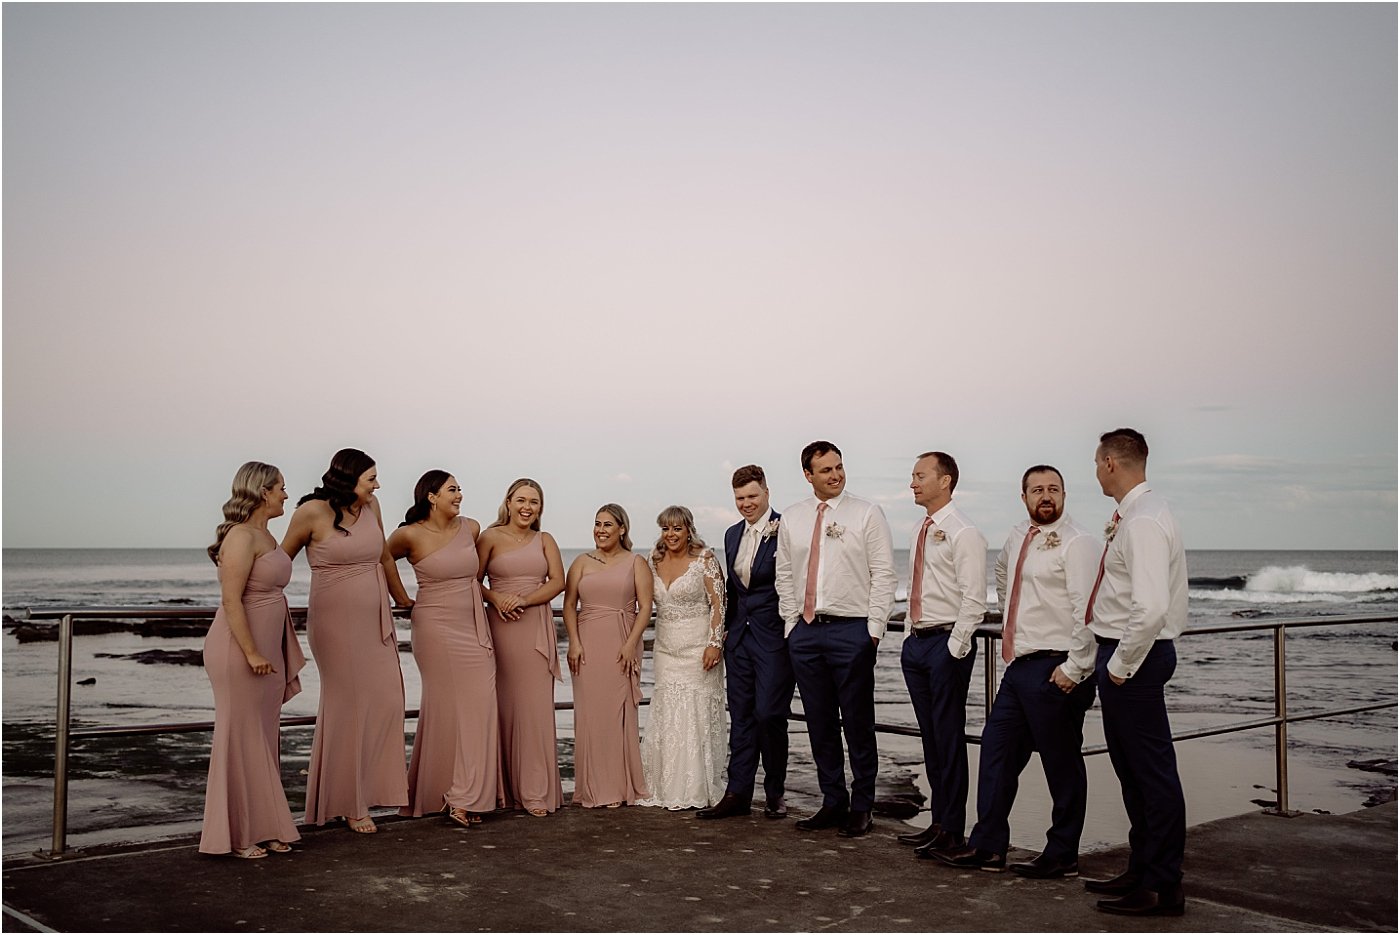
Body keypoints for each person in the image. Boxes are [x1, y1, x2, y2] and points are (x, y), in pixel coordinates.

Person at [928, 464, 1098, 876]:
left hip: (1059, 669)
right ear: (1023, 496)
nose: (1046, 496)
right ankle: (988, 847)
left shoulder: (1079, 544)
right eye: (1037, 489)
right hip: (1020, 669)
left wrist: (1074, 669)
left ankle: (1063, 854)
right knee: (996, 753)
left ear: (1064, 495)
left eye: (1054, 489)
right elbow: (1004, 572)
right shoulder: (1019, 534)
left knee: (1061, 764)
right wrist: (1009, 616)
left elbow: (1090, 613)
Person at [1083, 428, 1188, 916]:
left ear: (1110, 463)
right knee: (1132, 772)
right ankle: (1142, 869)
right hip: (1128, 656)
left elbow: (1149, 607)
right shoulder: (1139, 514)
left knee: (1151, 774)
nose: (1095, 471)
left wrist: (1121, 666)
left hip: (1135, 660)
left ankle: (1162, 886)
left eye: (1096, 462)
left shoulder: (1143, 521)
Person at [282, 448, 412, 833]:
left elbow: (385, 558)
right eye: (371, 478)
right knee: (347, 707)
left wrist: (402, 599)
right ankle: (349, 804)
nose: (377, 485)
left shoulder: (372, 508)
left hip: (376, 622)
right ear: (348, 478)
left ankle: (364, 791)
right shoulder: (311, 512)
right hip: (335, 624)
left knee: (389, 700)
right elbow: (279, 560)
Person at [775, 441, 896, 838]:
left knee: (858, 722)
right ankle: (832, 800)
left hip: (852, 630)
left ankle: (863, 806)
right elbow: (786, 576)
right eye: (825, 469)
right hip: (806, 632)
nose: (835, 475)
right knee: (819, 722)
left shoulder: (867, 513)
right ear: (808, 475)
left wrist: (873, 632)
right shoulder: (792, 518)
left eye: (839, 467)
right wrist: (792, 626)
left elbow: (884, 575)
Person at [199, 461, 306, 859]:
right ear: (263, 492)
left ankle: (267, 825)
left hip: (267, 649)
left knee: (263, 738)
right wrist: (251, 652)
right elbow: (231, 600)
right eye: (281, 487)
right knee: (240, 737)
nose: (285, 494)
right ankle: (239, 833)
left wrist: (270, 650)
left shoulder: (266, 535)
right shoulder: (241, 536)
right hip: (238, 650)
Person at [388, 470, 501, 828]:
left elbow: (478, 578)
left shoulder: (471, 528)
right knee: (444, 710)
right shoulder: (408, 534)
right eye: (453, 489)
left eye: (460, 489)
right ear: (431, 496)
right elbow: (378, 559)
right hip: (434, 629)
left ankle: (468, 794)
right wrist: (400, 598)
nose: (460, 495)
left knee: (480, 708)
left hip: (473, 629)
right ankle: (445, 796)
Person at [896, 452, 987, 858]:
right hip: (917, 642)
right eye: (913, 476)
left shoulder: (963, 531)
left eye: (920, 476)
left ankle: (953, 829)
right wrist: (907, 635)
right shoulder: (921, 527)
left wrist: (954, 647)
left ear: (945, 481)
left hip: (945, 645)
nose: (913, 482)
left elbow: (974, 599)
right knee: (931, 739)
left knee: (948, 739)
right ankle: (937, 822)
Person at [699, 465, 795, 821]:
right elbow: (734, 592)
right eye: (740, 498)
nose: (746, 504)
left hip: (775, 638)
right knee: (740, 716)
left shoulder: (787, 529)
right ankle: (738, 792)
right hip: (739, 640)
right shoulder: (730, 535)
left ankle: (775, 792)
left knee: (770, 714)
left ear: (767, 493)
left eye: (752, 496)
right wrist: (724, 630)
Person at [478, 478, 567, 817]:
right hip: (499, 627)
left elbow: (558, 581)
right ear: (509, 502)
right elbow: (472, 580)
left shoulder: (545, 540)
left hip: (533, 628)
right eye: (522, 500)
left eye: (535, 502)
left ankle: (534, 791)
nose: (528, 507)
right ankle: (500, 792)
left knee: (534, 710)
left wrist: (525, 600)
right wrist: (497, 597)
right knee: (500, 707)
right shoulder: (489, 537)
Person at [637, 506, 727, 810]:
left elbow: (719, 604)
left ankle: (695, 787)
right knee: (667, 713)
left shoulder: (705, 559)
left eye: (677, 529)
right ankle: (663, 786)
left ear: (689, 529)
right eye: (665, 529)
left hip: (698, 647)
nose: (671, 535)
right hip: (665, 647)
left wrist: (714, 643)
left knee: (696, 714)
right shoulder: (654, 559)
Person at [562, 503, 652, 807]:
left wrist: (630, 643)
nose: (600, 530)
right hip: (587, 646)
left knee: (617, 716)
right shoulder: (580, 563)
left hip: (621, 645)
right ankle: (590, 788)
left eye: (607, 525)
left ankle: (615, 788)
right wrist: (573, 642)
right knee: (590, 716)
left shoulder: (636, 562)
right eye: (597, 524)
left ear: (622, 529)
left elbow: (646, 608)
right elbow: (568, 606)